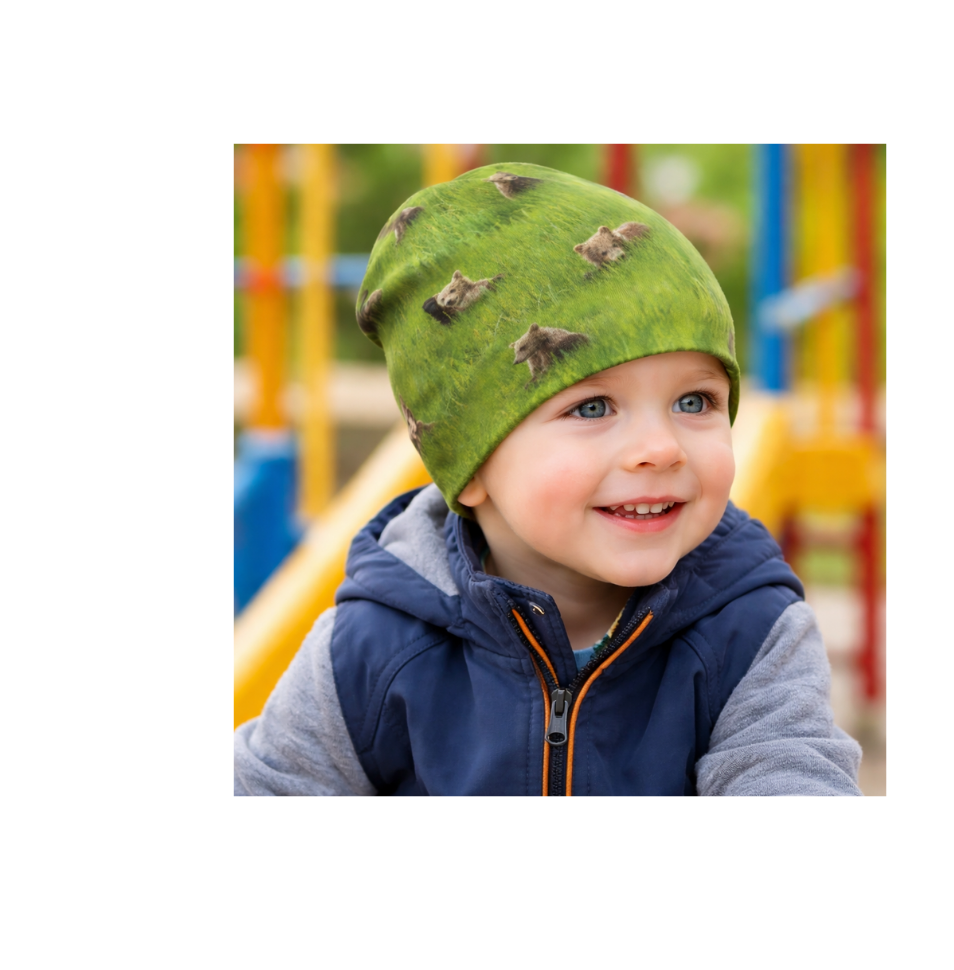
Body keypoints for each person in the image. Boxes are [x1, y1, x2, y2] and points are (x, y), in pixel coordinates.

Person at [233, 163, 862, 796]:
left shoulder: (748, 627)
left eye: (694, 402)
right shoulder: (372, 645)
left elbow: (790, 771)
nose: (661, 447)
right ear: (471, 465)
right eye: (591, 408)